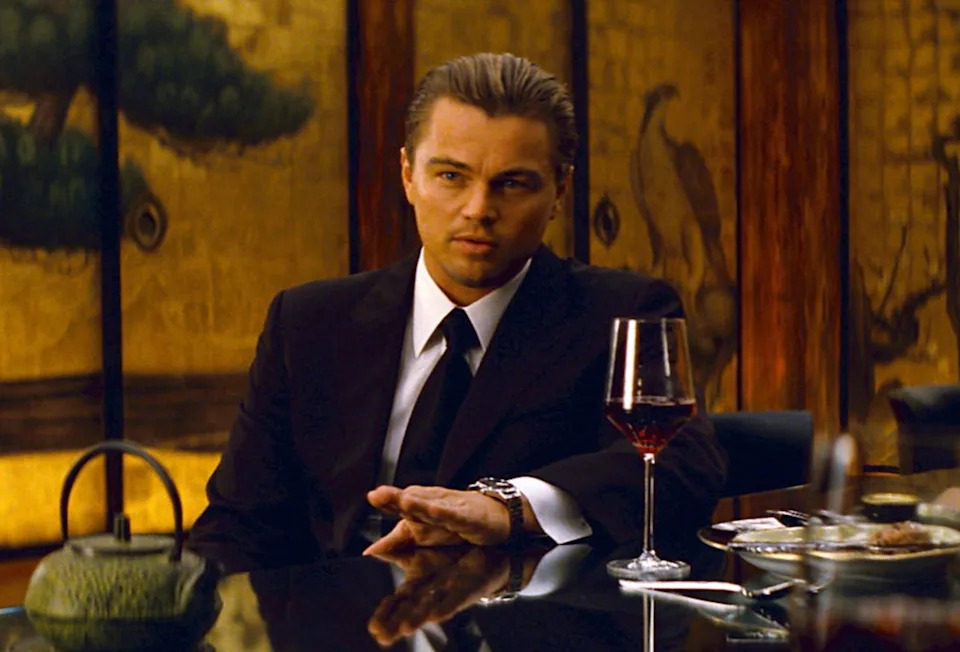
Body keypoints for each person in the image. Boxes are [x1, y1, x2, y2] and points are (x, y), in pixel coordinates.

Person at [188, 52, 727, 572]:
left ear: (560, 190)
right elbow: (237, 525)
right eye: (451, 176)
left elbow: (683, 465)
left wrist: (510, 508)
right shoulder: (308, 322)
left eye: (512, 183)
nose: (478, 210)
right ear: (407, 174)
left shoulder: (620, 312)